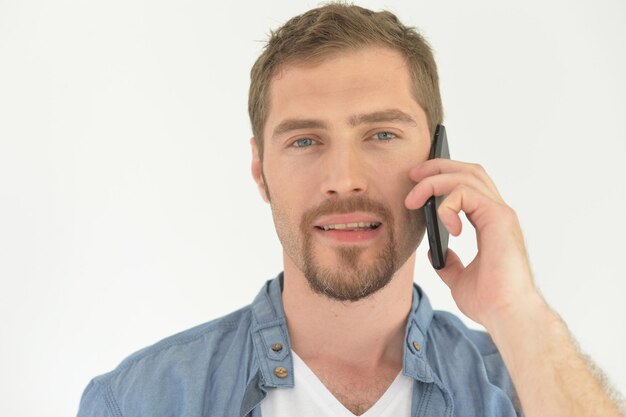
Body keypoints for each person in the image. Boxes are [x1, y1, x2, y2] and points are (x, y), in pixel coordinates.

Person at [77, 3, 624, 417]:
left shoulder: (526, 388)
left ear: (437, 158)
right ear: (259, 170)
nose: (343, 180)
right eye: (305, 141)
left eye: (381, 134)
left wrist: (519, 312)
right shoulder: (136, 401)